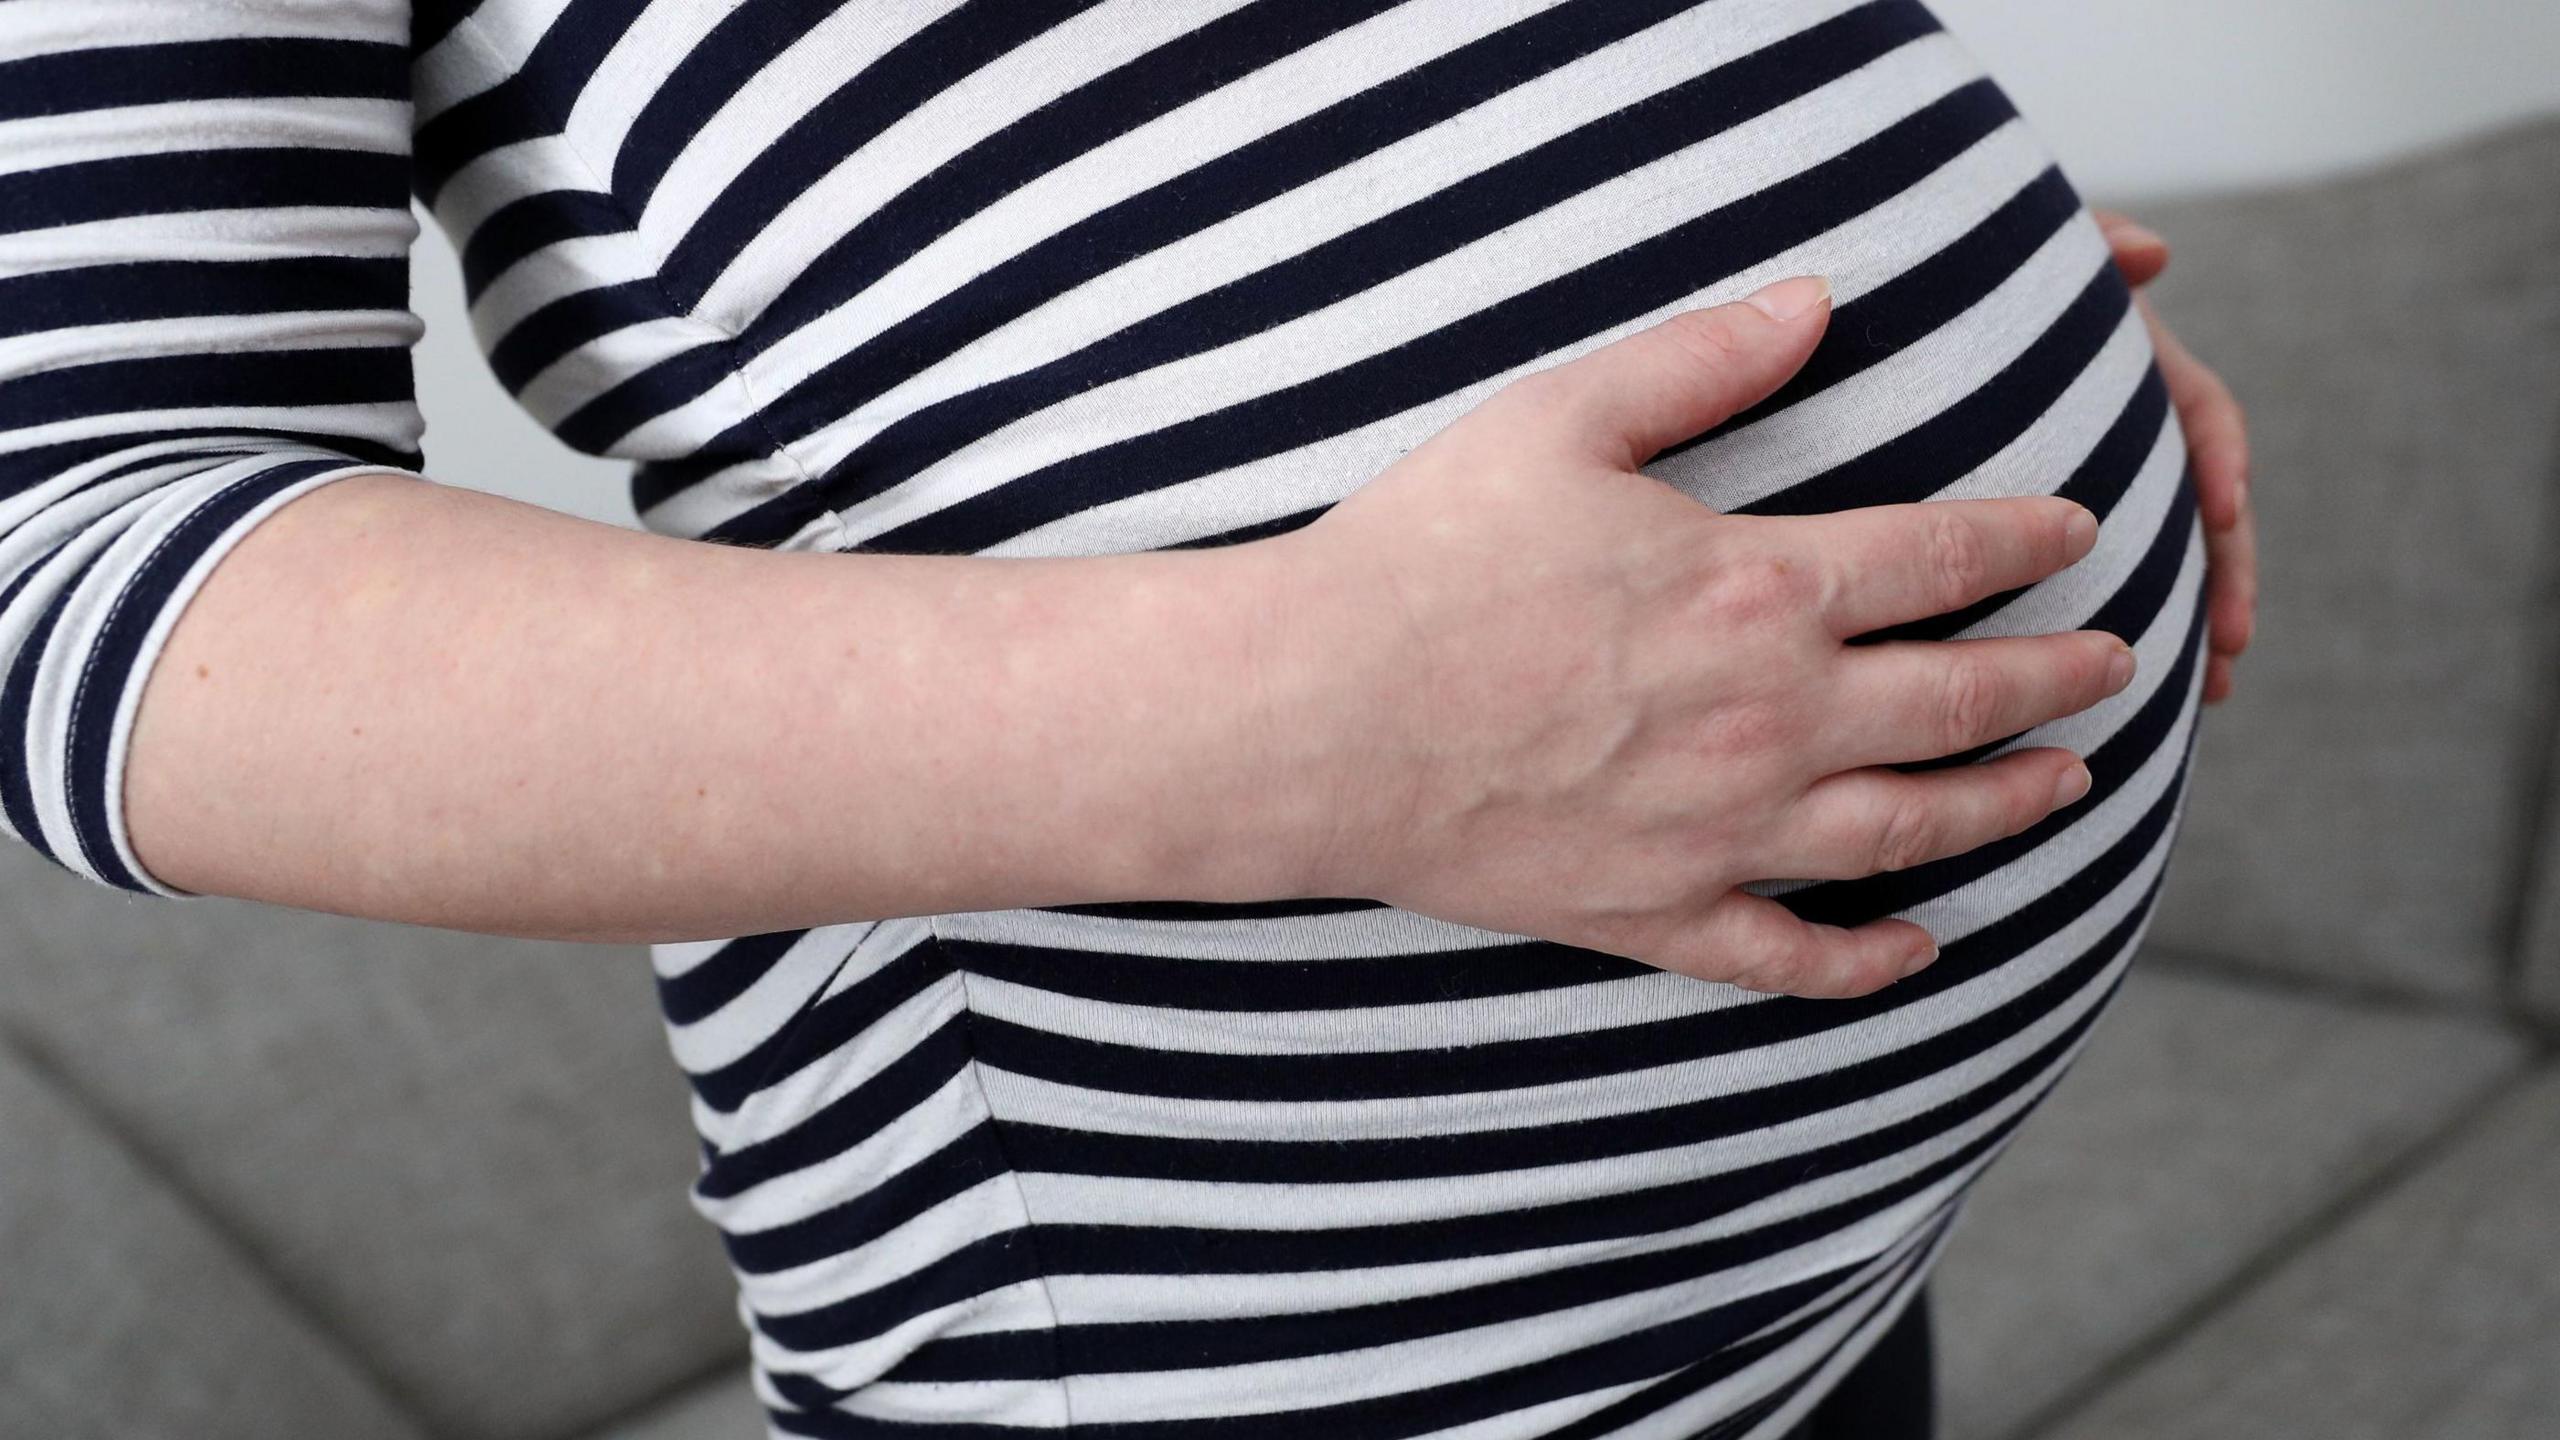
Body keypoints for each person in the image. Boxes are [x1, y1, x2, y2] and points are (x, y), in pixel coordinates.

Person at [0, 2, 2255, 1435]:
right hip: (1234, 1315)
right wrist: (1344, 716)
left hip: (1800, 1282)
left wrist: (1928, 284)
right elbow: (85, 573)